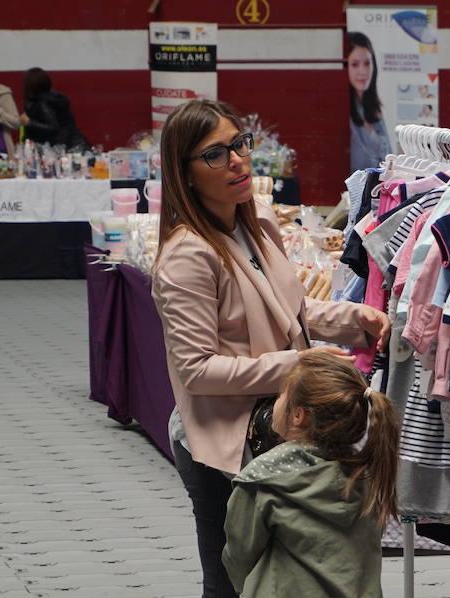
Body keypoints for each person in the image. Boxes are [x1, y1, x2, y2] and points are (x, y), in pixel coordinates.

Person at [151, 98, 390, 598]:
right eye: (215, 154)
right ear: (185, 173)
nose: (238, 161)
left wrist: (356, 320)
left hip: (280, 424)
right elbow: (196, 370)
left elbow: (292, 312)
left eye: (239, 144)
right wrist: (297, 364)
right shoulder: (187, 256)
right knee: (232, 584)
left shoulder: (255, 220)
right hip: (223, 443)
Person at [222, 351, 399, 597]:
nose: (277, 400)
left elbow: (240, 555)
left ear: (298, 414)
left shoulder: (260, 479)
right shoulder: (368, 472)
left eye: (282, 394)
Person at [348, 32, 391, 172]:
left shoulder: (375, 110)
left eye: (367, 63)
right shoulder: (344, 111)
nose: (362, 71)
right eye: (354, 64)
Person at [20, 67, 90, 150]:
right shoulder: (55, 98)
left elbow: (53, 127)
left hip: (64, 146)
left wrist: (29, 122)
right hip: (71, 144)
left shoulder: (42, 103)